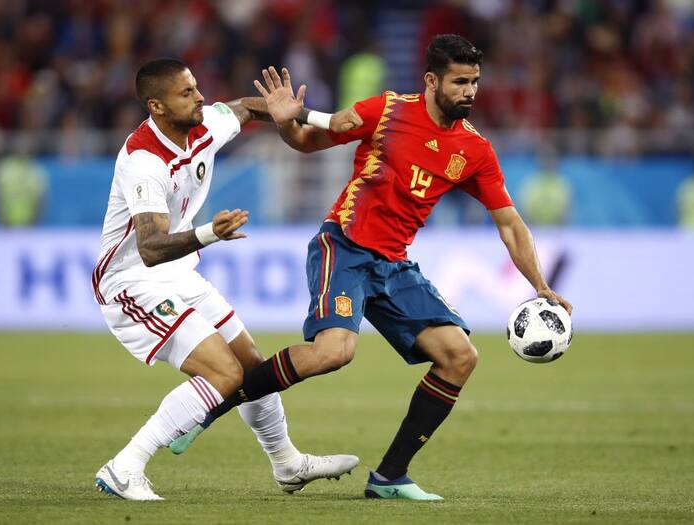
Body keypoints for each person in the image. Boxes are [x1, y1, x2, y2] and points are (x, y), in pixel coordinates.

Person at [173, 35, 573, 501]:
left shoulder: (475, 150)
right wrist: (284, 122)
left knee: (459, 356)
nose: (469, 91)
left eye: (474, 82)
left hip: (393, 264)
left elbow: (510, 224)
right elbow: (306, 140)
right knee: (334, 352)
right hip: (344, 246)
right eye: (459, 82)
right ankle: (215, 405)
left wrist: (540, 285)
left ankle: (389, 477)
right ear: (431, 81)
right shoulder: (387, 111)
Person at [92, 58, 362, 501]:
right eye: (187, 93)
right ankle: (125, 466)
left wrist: (309, 116)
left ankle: (287, 464)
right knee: (224, 372)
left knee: (253, 368)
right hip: (132, 282)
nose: (200, 97)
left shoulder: (203, 124)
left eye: (196, 87)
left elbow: (247, 107)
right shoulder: (144, 160)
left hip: (177, 273)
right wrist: (208, 234)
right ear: (157, 107)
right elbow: (150, 247)